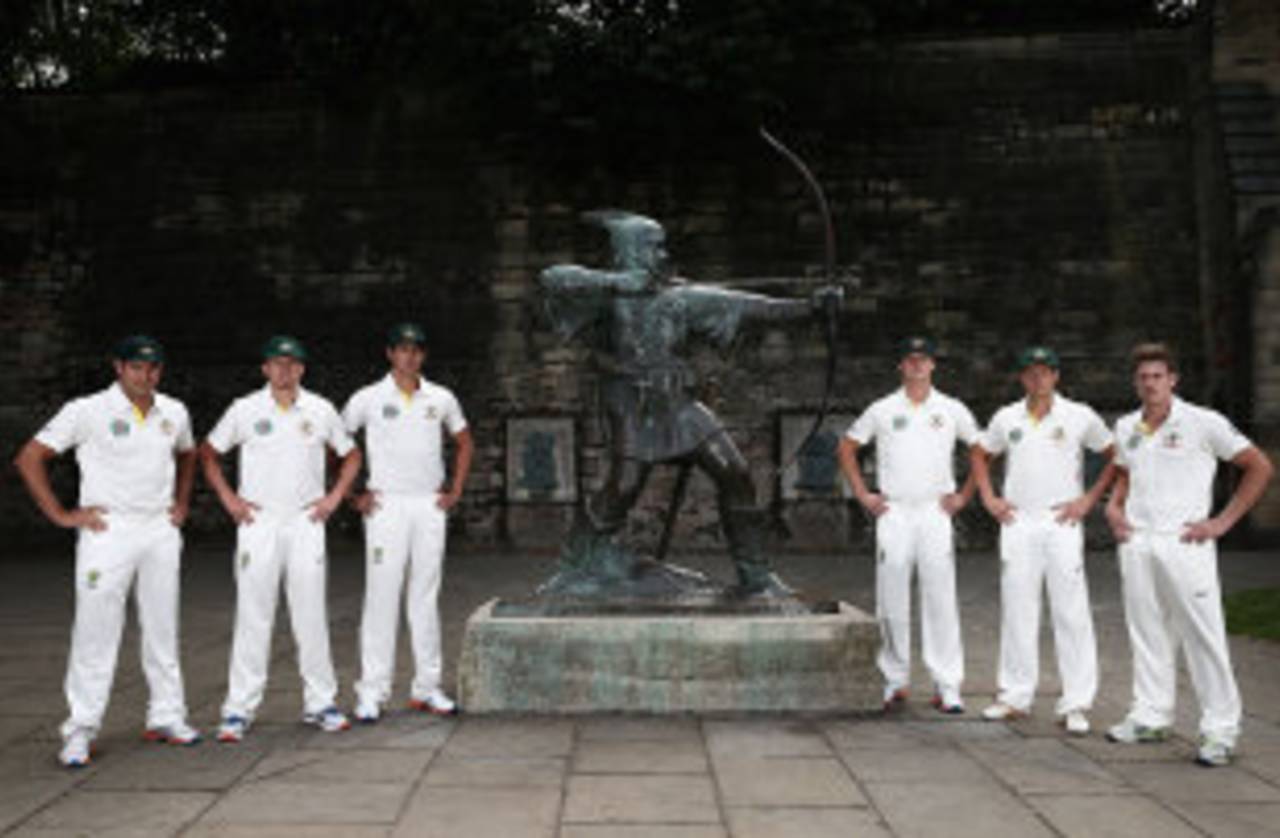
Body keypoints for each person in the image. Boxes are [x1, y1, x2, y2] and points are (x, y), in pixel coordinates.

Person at [539, 210, 841, 596]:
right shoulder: (606, 297)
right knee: (624, 484)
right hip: (631, 403)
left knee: (735, 473)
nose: (661, 253)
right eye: (652, 246)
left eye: (661, 246)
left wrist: (812, 307)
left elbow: (753, 307)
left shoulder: (680, 298)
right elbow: (552, 279)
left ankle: (755, 575)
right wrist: (620, 282)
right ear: (629, 251)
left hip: (679, 405)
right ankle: (576, 562)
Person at [14, 335, 200, 767]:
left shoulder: (173, 411)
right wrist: (62, 515)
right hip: (108, 528)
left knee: (162, 624)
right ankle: (80, 729)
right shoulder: (87, 410)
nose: (145, 375)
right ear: (119, 367)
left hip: (158, 528)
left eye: (153, 368)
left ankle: (167, 715)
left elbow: (188, 454)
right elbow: (29, 458)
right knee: (96, 629)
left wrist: (183, 501)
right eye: (136, 366)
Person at [1104, 342, 1273, 766]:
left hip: (1186, 542)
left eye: (1158, 376)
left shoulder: (1202, 422)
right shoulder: (1127, 426)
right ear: (1135, 382)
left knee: (1203, 636)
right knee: (1147, 632)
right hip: (1139, 542)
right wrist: (1113, 505)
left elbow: (1259, 467)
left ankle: (1220, 730)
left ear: (1173, 379)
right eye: (1143, 377)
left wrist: (1222, 522)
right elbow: (1125, 472)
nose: (1150, 384)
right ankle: (1151, 715)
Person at [200, 335, 362, 742]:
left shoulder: (320, 408)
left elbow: (351, 454)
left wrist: (335, 497)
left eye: (292, 364)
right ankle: (238, 710)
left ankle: (320, 703)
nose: (284, 370)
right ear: (265, 369)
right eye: (277, 363)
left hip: (305, 520)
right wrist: (229, 499)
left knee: (310, 613)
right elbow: (208, 452)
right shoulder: (245, 409)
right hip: (259, 520)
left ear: (301, 369)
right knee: (254, 614)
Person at [971, 346, 1115, 735]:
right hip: (1018, 520)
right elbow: (980, 454)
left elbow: (1115, 455)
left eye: (1045, 372)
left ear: (1056, 376)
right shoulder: (1007, 417)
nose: (1038, 379)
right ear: (1023, 378)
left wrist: (1089, 499)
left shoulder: (1078, 415)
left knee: (1071, 611)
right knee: (1018, 607)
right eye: (1031, 373)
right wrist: (989, 497)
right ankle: (1015, 696)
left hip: (1061, 520)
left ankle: (1076, 702)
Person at [837, 336, 978, 713]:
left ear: (933, 365)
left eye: (924, 359)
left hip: (935, 511)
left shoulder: (950, 409)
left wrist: (964, 495)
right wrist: (864, 494)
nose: (917, 365)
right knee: (892, 596)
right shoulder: (883, 409)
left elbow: (981, 449)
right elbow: (847, 447)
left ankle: (947, 685)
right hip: (895, 511)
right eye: (910, 359)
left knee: (940, 597)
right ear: (901, 365)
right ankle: (894, 679)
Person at [342, 323, 473, 722]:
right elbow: (338, 443)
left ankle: (427, 687)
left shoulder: (440, 397)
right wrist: (353, 495)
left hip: (428, 504)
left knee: (425, 596)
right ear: (390, 354)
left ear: (423, 356)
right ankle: (372, 692)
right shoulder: (368, 397)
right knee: (382, 596)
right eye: (402, 349)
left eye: (416, 350)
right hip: (386, 506)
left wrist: (455, 489)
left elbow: (465, 441)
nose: (409, 356)